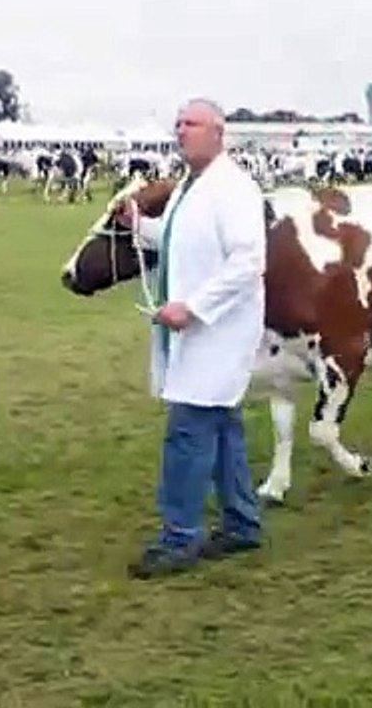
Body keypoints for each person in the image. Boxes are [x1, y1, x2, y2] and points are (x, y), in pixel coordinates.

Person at [126, 98, 267, 580]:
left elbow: (248, 262)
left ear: (218, 132)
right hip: (197, 332)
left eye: (192, 124)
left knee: (188, 432)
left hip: (218, 331)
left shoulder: (235, 189)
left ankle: (179, 536)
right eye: (178, 123)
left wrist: (195, 306)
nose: (181, 131)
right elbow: (179, 235)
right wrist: (139, 227)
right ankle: (243, 523)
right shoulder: (194, 185)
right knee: (223, 430)